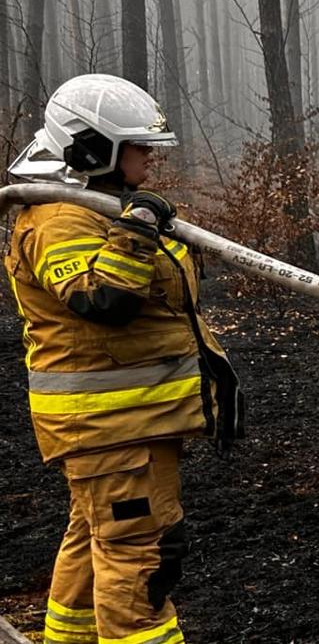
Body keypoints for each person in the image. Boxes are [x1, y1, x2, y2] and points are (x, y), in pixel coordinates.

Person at [7, 74, 241, 644]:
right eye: (140, 148)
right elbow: (100, 300)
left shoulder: (98, 208)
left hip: (126, 425)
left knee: (96, 537)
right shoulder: (62, 219)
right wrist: (136, 233)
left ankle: (70, 635)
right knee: (143, 555)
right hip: (109, 427)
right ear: (94, 148)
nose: (150, 160)